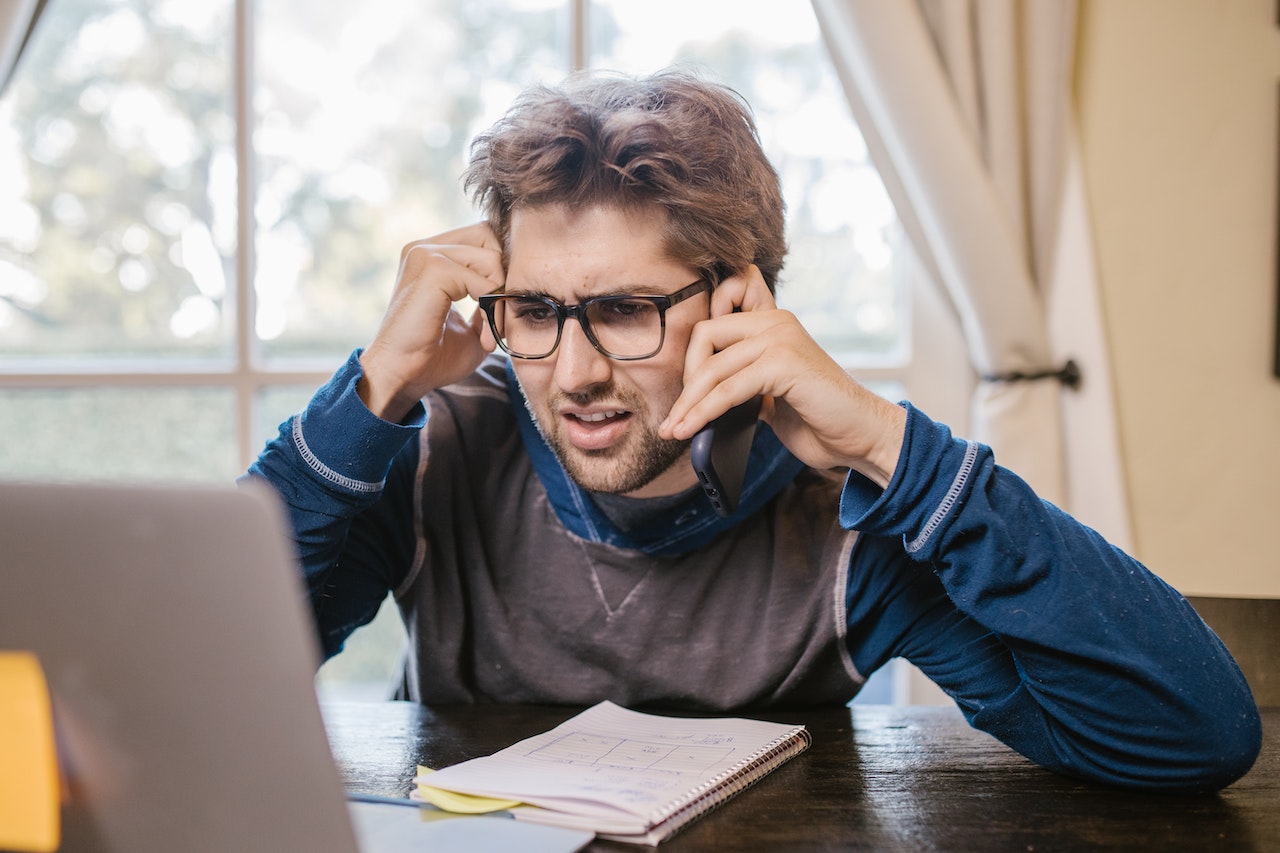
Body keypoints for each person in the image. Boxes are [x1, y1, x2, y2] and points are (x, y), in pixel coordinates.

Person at [245, 69, 1260, 793]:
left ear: (740, 302)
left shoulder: (846, 516)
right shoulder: (431, 452)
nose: (574, 372)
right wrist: (370, 393)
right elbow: (216, 687)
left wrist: (888, 447)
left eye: (628, 309)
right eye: (539, 311)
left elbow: (1186, 739)